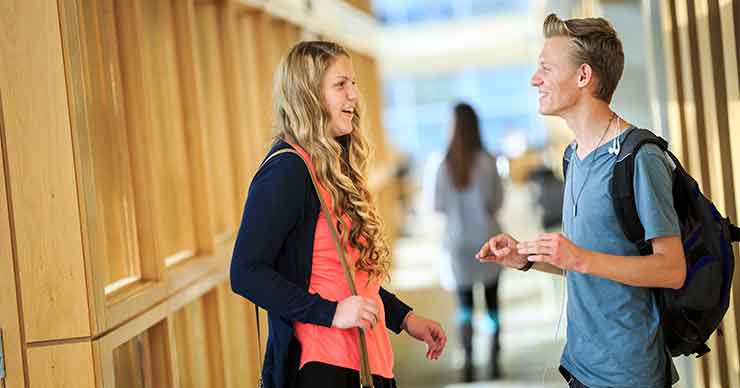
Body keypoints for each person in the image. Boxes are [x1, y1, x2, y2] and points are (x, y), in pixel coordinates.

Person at [476, 14, 685, 388]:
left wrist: (579, 257)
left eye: (545, 68)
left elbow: (671, 269)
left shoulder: (639, 157)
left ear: (583, 76)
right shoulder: (573, 156)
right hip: (580, 367)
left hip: (629, 374)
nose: (534, 79)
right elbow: (588, 262)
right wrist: (526, 259)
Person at [230, 41, 447, 388]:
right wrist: (330, 313)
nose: (354, 96)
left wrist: (404, 318)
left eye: (354, 84)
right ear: (309, 95)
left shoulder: (330, 165)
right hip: (324, 365)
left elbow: (348, 276)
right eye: (340, 85)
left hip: (367, 360)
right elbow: (244, 272)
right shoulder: (287, 170)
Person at [434, 103, 504, 382]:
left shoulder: (443, 164)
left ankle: (468, 364)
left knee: (464, 306)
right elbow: (497, 201)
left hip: (457, 245)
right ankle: (495, 360)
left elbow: (437, 205)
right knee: (491, 303)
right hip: (487, 241)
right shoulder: (487, 161)